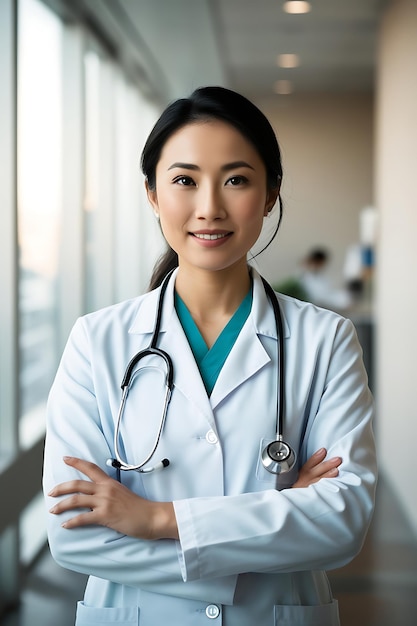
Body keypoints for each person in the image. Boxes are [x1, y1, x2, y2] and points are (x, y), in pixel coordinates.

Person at [43, 86, 377, 626]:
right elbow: (75, 537)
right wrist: (276, 528)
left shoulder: (325, 340)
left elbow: (342, 525)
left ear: (270, 193)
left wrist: (154, 518)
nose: (209, 208)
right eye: (184, 180)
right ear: (152, 193)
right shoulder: (96, 341)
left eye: (237, 179)